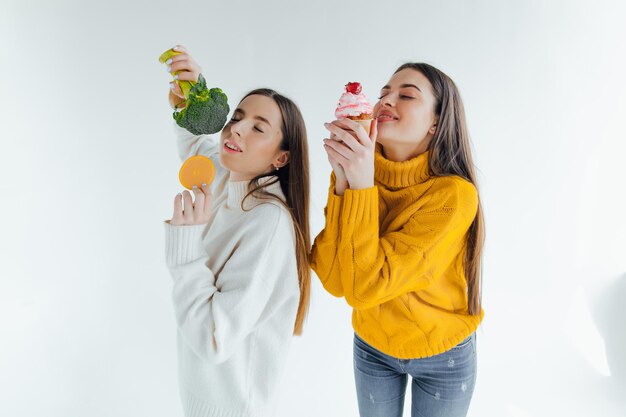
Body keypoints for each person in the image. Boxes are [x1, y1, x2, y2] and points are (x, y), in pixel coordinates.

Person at [311, 62, 485, 417]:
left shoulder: (454, 196)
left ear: (436, 123)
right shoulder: (361, 174)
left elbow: (364, 288)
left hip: (443, 353)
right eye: (383, 94)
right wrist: (344, 182)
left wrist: (360, 185)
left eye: (406, 95)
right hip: (372, 346)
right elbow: (334, 280)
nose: (386, 100)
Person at [163, 46, 311, 417]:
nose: (236, 129)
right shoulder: (230, 176)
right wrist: (192, 95)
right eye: (238, 117)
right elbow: (197, 144)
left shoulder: (268, 222)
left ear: (281, 158)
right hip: (205, 404)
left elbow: (214, 339)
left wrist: (186, 249)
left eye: (258, 128)